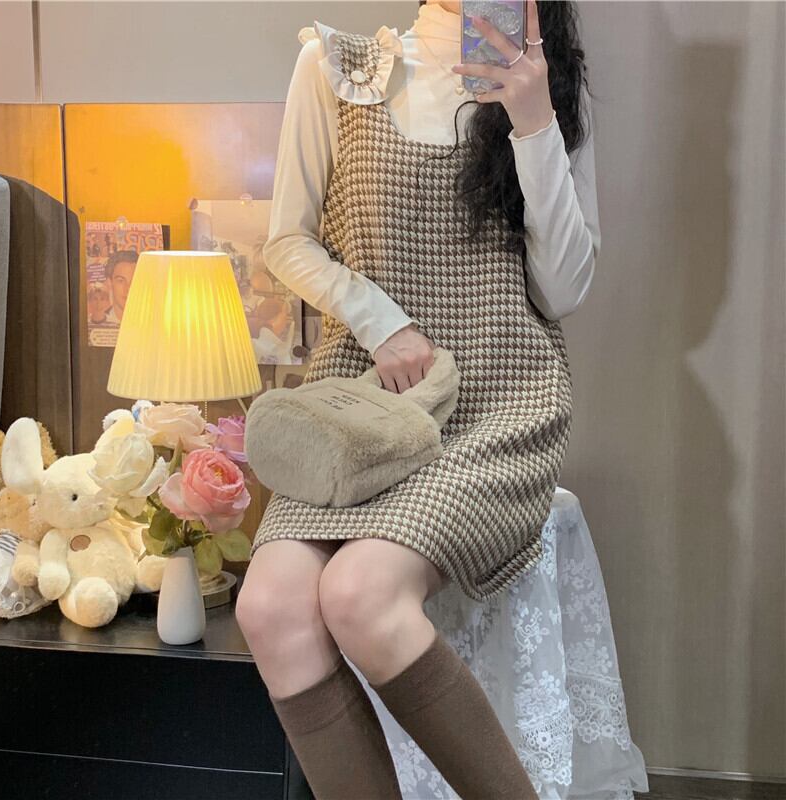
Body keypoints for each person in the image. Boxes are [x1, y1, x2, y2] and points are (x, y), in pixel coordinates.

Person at [236, 1, 600, 797]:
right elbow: (289, 239)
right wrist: (381, 321)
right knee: (269, 606)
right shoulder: (338, 68)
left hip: (501, 398)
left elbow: (563, 289)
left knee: (361, 594)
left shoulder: (544, 87)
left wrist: (534, 120)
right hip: (365, 403)